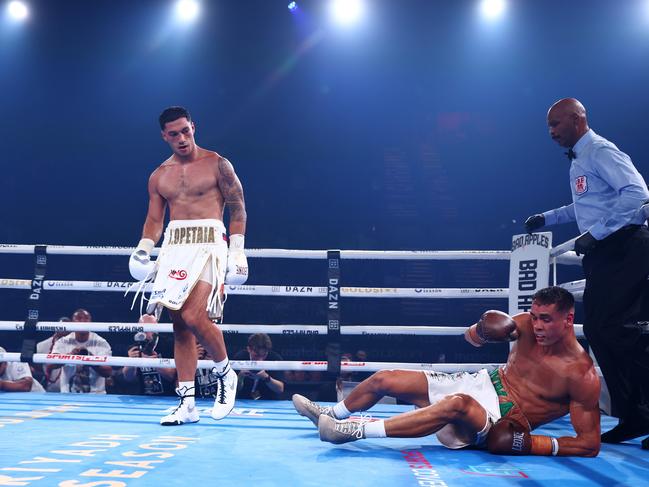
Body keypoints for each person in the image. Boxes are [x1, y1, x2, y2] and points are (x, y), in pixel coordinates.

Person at [293, 287, 601, 457]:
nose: (537, 326)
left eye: (546, 319)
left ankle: (353, 431)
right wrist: (482, 330)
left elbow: (589, 444)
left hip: (500, 418)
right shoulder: (522, 325)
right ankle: (332, 414)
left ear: (568, 319)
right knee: (385, 377)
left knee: (457, 403)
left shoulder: (580, 372)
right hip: (483, 381)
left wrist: (533, 444)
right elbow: (470, 338)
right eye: (534, 317)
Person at [525, 98, 649, 447]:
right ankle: (635, 413)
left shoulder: (600, 150)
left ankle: (642, 409)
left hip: (625, 246)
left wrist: (597, 233)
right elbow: (585, 205)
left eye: (556, 124)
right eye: (549, 126)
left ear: (578, 120)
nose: (551, 132)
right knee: (600, 329)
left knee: (617, 330)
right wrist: (547, 218)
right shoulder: (580, 159)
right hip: (608, 251)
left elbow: (638, 194)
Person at [128, 106, 248, 425]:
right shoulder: (159, 175)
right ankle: (187, 404)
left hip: (209, 242)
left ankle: (225, 374)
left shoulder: (217, 164)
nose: (181, 138)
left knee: (195, 314)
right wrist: (144, 247)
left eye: (185, 130)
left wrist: (237, 251)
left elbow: (237, 209)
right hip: (175, 244)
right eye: (174, 133)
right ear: (163, 136)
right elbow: (155, 219)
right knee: (180, 325)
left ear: (194, 126)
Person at [46, 309, 113, 393]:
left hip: (96, 396)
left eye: (86, 318)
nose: (83, 321)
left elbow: (108, 372)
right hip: (68, 396)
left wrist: (90, 359)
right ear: (72, 323)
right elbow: (50, 365)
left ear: (91, 322)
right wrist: (69, 357)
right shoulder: (63, 342)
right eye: (79, 318)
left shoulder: (101, 342)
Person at [116, 314, 176, 396]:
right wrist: (131, 362)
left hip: (169, 396)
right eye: (140, 329)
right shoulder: (135, 348)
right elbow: (128, 378)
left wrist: (154, 363)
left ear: (156, 330)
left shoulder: (169, 345)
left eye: (147, 329)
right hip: (145, 398)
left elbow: (172, 376)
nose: (143, 333)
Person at [233, 333, 284, 400]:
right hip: (243, 399)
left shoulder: (275, 359)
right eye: (256, 355)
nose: (260, 360)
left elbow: (280, 389)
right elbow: (233, 389)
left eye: (264, 355)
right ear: (249, 349)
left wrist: (266, 377)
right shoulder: (240, 358)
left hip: (269, 400)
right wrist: (240, 377)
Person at [34, 316, 71, 392]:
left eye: (66, 327)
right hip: (50, 391)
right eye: (61, 327)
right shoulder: (42, 346)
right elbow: (37, 367)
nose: (63, 330)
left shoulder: (78, 345)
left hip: (74, 391)